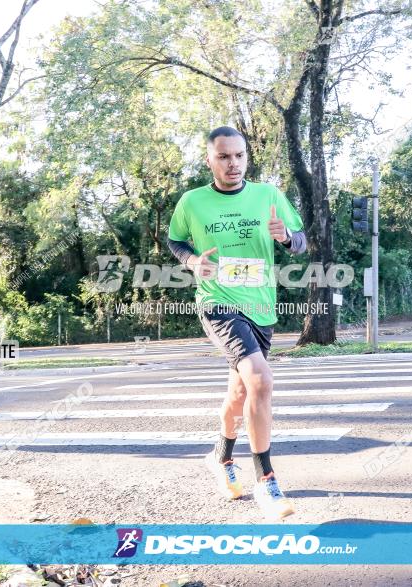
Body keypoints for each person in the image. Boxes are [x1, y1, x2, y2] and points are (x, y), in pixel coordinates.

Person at [167, 126, 307, 519]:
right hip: (217, 302)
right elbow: (176, 241)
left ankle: (221, 457)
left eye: (239, 155)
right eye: (224, 156)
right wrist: (193, 261)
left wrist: (285, 239)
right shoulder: (192, 202)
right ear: (210, 160)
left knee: (241, 393)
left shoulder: (269, 196)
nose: (233, 163)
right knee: (260, 378)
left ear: (247, 157)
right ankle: (267, 481)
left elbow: (301, 241)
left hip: (260, 304)